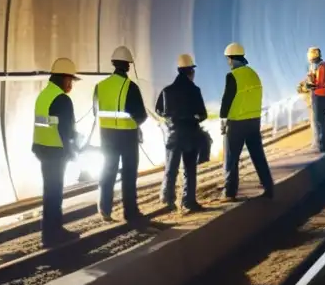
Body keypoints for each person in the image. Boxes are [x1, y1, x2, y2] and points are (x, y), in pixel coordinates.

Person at [94, 45, 147, 221]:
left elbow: (96, 112)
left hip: (107, 136)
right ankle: (130, 212)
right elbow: (141, 115)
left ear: (113, 63)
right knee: (129, 174)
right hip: (127, 137)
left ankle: (105, 209)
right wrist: (135, 125)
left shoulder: (99, 87)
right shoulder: (130, 87)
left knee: (108, 171)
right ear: (128, 66)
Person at [32, 57, 82, 245]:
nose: (71, 85)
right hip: (55, 151)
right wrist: (72, 150)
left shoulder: (44, 95)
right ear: (65, 78)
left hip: (42, 149)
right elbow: (66, 131)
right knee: (55, 193)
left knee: (49, 192)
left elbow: (44, 124)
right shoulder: (62, 99)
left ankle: (49, 232)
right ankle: (54, 234)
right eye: (71, 80)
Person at [220, 42, 274, 200]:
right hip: (254, 121)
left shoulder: (232, 76)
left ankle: (229, 192)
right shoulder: (253, 74)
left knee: (231, 159)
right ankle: (268, 186)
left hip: (237, 122)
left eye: (228, 59)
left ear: (231, 59)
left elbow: (227, 100)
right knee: (258, 156)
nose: (228, 63)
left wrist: (223, 119)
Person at [155, 54, 208, 212]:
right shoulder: (195, 90)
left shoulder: (167, 91)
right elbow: (203, 114)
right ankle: (189, 201)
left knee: (171, 169)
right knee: (189, 169)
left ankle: (168, 200)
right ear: (191, 71)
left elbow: (159, 110)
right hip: (191, 134)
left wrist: (169, 119)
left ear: (179, 71)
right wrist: (193, 119)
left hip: (174, 134)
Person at [305, 46, 325, 152]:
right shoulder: (315, 66)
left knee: (319, 120)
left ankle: (322, 145)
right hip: (318, 94)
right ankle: (320, 144)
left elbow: (320, 82)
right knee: (319, 120)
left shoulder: (321, 66)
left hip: (321, 96)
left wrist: (311, 85)